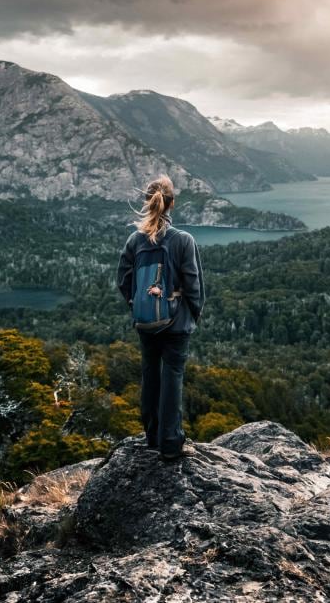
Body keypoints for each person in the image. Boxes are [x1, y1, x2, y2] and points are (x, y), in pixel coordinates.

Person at [116, 174, 205, 461]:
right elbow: (193, 286)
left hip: (145, 323)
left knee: (150, 375)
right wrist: (192, 315)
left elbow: (124, 280)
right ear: (172, 204)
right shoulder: (183, 240)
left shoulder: (134, 240)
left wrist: (138, 305)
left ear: (148, 202)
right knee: (172, 377)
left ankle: (151, 437)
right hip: (176, 324)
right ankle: (170, 443)